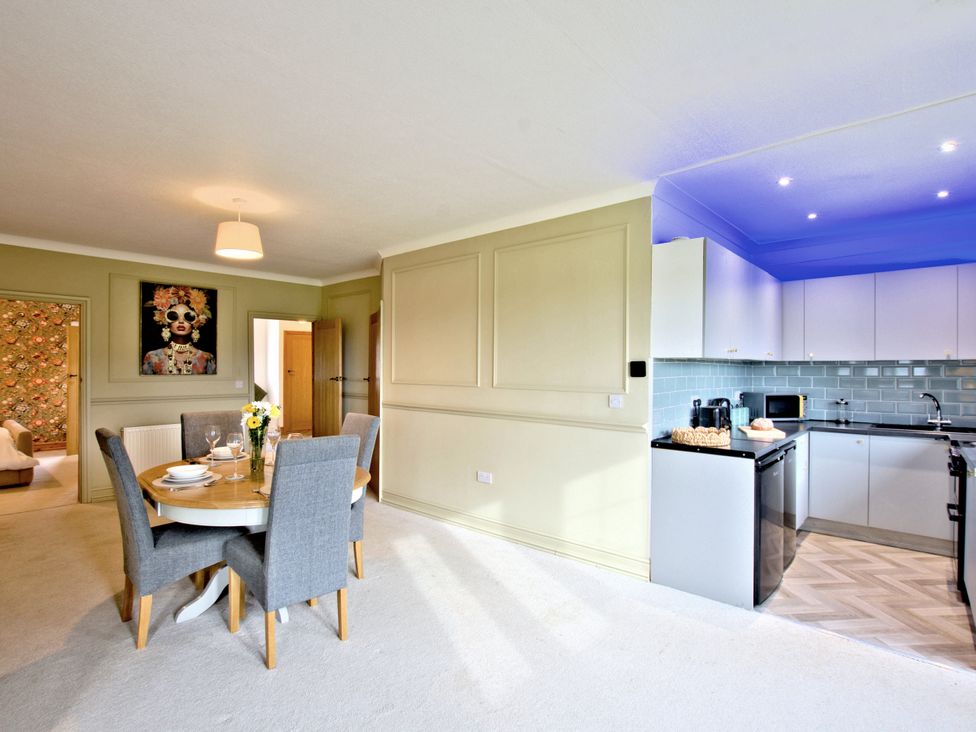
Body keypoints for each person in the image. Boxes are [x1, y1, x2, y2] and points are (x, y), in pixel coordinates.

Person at [141, 285, 216, 375]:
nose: (181, 321)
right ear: (166, 322)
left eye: (188, 317)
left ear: (195, 322)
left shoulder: (206, 358)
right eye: (174, 316)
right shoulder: (152, 357)